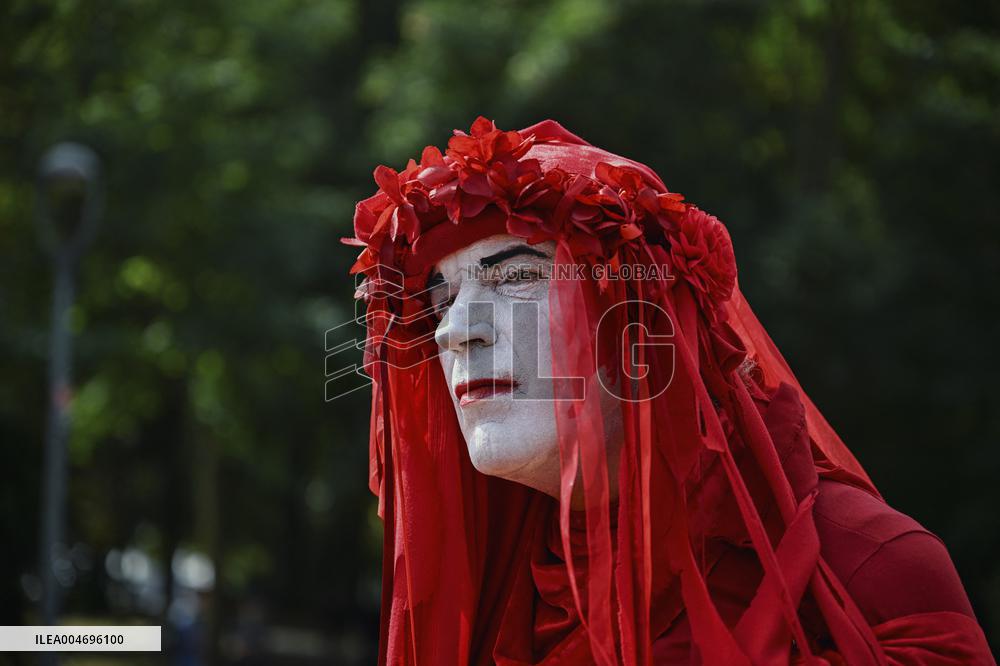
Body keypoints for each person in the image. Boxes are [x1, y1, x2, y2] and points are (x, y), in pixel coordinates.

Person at [341, 117, 995, 665]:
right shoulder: (487, 605)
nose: (456, 331)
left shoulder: (869, 568)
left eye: (514, 274)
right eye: (441, 299)